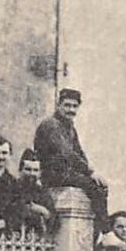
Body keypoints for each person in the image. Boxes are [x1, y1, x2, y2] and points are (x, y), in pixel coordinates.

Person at [32, 88, 109, 221]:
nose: (71, 110)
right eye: (67, 105)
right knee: (95, 188)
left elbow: (79, 152)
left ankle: (97, 233)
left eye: (74, 106)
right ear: (58, 105)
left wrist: (92, 171)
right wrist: (89, 172)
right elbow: (66, 153)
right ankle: (106, 231)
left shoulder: (69, 127)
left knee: (100, 188)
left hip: (66, 174)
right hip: (53, 174)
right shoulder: (51, 125)